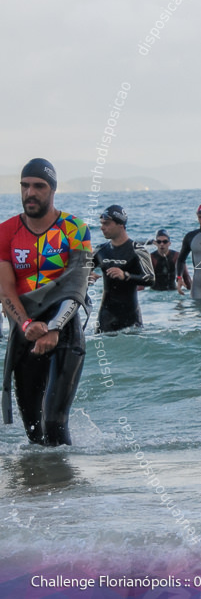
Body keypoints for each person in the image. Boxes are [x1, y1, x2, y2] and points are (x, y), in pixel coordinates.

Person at [0, 159, 91, 446]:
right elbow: (5, 291)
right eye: (25, 186)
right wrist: (26, 324)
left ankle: (66, 487)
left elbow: (78, 285)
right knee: (34, 433)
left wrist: (54, 328)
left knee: (53, 423)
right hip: (24, 330)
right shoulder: (6, 231)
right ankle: (39, 486)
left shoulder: (75, 228)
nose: (30, 193)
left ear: (52, 190)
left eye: (39, 186)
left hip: (64, 329)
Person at [91, 205, 155, 332]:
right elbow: (81, 271)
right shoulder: (100, 250)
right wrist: (88, 276)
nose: (102, 227)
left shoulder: (138, 250)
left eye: (107, 224)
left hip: (131, 317)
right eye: (101, 223)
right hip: (105, 317)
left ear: (121, 225)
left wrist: (126, 275)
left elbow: (150, 279)